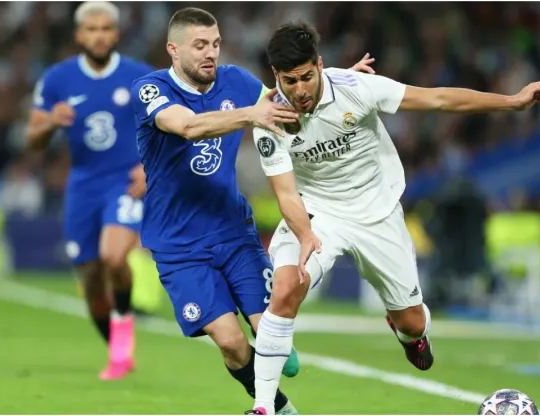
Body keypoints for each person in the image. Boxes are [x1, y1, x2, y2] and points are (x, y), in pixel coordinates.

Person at [247, 21, 540, 415]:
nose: (301, 89)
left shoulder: (357, 89)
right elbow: (286, 192)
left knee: (412, 321)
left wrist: (512, 101)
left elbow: (439, 100)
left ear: (320, 65)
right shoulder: (268, 119)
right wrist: (305, 235)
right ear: (276, 77)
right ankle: (263, 407)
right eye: (290, 81)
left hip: (377, 213)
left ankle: (407, 331)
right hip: (316, 212)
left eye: (308, 77)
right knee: (286, 288)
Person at [129, 8, 375, 414]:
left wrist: (338, 84)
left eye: (216, 44)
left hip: (233, 232)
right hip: (179, 245)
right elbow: (188, 126)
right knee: (230, 342)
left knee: (271, 330)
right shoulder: (150, 89)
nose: (211, 53)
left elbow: (288, 107)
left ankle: (273, 361)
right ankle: (280, 408)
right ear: (173, 50)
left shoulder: (237, 81)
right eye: (200, 45)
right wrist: (250, 113)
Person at [26, 1, 155, 381]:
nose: (99, 35)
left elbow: (167, 129)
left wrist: (148, 168)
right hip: (83, 184)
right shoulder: (57, 79)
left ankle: (123, 338)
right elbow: (32, 139)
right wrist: (51, 120)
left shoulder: (139, 76)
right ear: (79, 35)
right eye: (91, 29)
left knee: (114, 257)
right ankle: (116, 350)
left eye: (106, 29)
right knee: (90, 276)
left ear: (116, 34)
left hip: (124, 181)